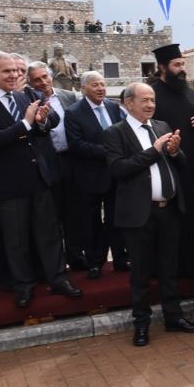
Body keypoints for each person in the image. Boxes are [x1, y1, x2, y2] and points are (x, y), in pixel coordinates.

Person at [0, 51, 82, 308]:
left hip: (38, 178)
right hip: (9, 184)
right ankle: (24, 286)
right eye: (7, 71)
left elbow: (48, 123)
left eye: (17, 71)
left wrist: (41, 121)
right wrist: (26, 123)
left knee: (49, 233)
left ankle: (58, 279)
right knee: (16, 240)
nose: (14, 75)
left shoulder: (25, 95)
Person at [103, 82, 194, 346]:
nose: (150, 105)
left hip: (169, 210)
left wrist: (175, 151)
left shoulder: (161, 126)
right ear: (128, 103)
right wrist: (154, 151)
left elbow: (181, 163)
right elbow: (118, 169)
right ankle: (141, 324)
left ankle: (174, 317)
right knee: (141, 273)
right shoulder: (115, 132)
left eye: (153, 100)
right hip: (139, 214)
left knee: (170, 268)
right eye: (144, 100)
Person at [149, 43, 194, 278]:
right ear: (163, 67)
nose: (182, 69)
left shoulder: (191, 93)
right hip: (170, 170)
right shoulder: (152, 96)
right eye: (177, 65)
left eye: (183, 64)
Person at [64, 71, 128, 278]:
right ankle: (94, 262)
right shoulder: (73, 112)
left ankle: (120, 259)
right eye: (95, 85)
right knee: (91, 222)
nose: (101, 88)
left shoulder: (113, 107)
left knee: (116, 219)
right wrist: (108, 152)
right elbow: (76, 144)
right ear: (83, 88)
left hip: (115, 174)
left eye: (102, 84)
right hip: (90, 176)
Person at [27, 62, 85, 271]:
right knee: (52, 215)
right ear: (30, 82)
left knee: (74, 211)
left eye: (45, 77)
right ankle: (55, 262)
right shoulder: (29, 101)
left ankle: (76, 255)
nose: (42, 82)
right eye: (36, 79)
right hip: (46, 163)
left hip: (71, 159)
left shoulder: (69, 97)